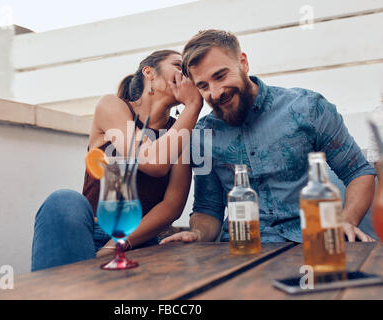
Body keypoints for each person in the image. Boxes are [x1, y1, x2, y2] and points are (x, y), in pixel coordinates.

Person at [161, 29, 377, 246]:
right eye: (203, 86)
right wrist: (197, 233)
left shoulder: (308, 108)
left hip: (313, 244)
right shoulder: (202, 135)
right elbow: (208, 209)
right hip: (241, 252)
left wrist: (346, 221)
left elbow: (358, 172)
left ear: (243, 63)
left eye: (220, 76)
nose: (215, 93)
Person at [31, 50, 203, 271]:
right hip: (89, 233)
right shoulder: (112, 106)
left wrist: (114, 247)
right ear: (149, 73)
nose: (185, 75)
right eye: (179, 66)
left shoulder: (181, 129)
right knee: (64, 200)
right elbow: (153, 162)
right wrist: (192, 106)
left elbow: (171, 206)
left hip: (140, 240)